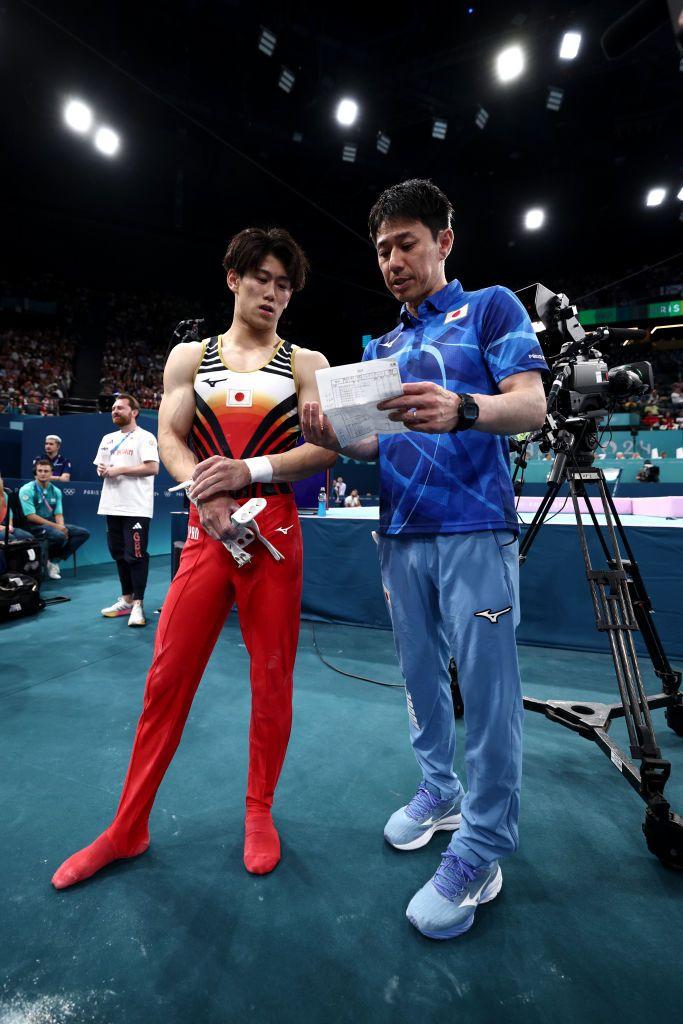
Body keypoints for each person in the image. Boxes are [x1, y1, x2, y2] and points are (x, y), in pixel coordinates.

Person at [51, 226, 337, 890]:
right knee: (165, 680)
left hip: (274, 531)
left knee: (272, 681)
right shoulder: (189, 357)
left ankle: (259, 811)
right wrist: (204, 492)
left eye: (284, 284)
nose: (273, 292)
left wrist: (245, 470)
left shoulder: (307, 363)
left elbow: (325, 453)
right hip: (207, 532)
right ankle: (128, 825)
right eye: (261, 278)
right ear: (233, 278)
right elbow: (171, 438)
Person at [302, 178, 548, 940]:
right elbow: (379, 443)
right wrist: (336, 435)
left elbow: (531, 405)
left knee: (488, 692)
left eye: (406, 243)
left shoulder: (493, 307)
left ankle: (483, 847)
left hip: (473, 530)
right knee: (419, 681)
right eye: (381, 249)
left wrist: (465, 409)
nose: (392, 260)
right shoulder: (380, 348)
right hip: (400, 534)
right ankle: (438, 791)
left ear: (443, 241)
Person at [94, 394, 160, 627]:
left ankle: (139, 605)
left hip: (136, 507)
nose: (115, 411)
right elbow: (102, 468)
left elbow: (152, 468)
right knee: (119, 554)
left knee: (136, 555)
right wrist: (103, 470)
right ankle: (126, 599)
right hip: (111, 505)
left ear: (134, 412)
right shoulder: (107, 439)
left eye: (120, 408)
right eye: (113, 408)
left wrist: (119, 469)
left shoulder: (146, 437)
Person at [19, 459, 90, 578]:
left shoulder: (56, 491)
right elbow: (31, 516)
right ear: (35, 472)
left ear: (52, 473)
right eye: (39, 471)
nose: (42, 473)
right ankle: (45, 560)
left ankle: (54, 561)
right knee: (59, 535)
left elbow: (58, 514)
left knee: (82, 533)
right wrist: (57, 528)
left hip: (50, 525)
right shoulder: (27, 490)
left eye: (46, 471)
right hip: (32, 526)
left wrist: (61, 527)